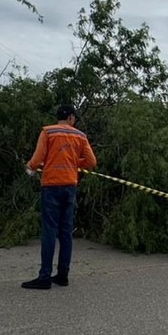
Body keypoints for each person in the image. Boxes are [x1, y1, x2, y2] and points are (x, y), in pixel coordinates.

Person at [21, 104, 97, 289]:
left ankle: (44, 277)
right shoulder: (80, 136)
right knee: (65, 232)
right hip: (70, 187)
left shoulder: (48, 132)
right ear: (71, 117)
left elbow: (38, 158)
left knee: (49, 231)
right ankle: (63, 275)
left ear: (59, 117)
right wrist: (73, 162)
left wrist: (30, 167)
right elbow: (91, 162)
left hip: (51, 186)